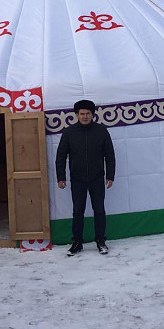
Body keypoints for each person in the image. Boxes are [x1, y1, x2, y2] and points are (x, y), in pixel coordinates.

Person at [55, 99, 115, 256]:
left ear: (93, 114)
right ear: (76, 115)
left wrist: (110, 175)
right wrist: (61, 177)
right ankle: (77, 242)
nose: (85, 116)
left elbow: (109, 154)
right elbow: (61, 156)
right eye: (82, 113)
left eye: (88, 113)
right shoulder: (69, 133)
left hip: (97, 178)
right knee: (77, 211)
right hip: (78, 179)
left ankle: (101, 241)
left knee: (99, 210)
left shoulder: (101, 131)